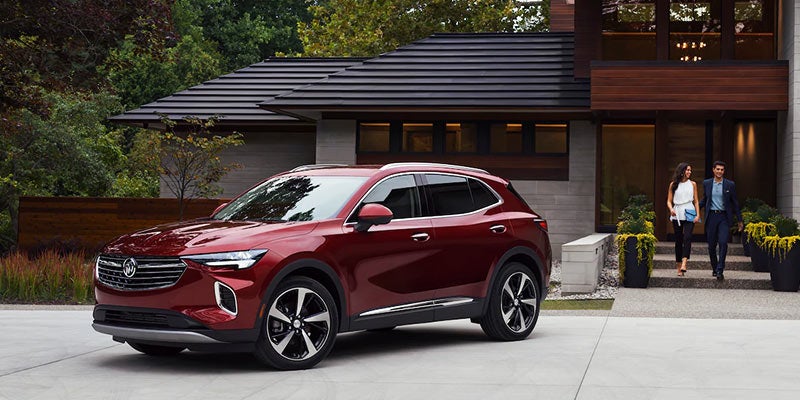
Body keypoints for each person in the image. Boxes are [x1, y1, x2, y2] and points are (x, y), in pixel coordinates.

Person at [699, 161, 743, 281]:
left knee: (723, 242)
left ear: (724, 171)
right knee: (711, 245)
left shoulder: (730, 185)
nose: (719, 172)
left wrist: (740, 220)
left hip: (723, 217)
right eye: (717, 169)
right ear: (713, 170)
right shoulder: (707, 183)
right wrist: (695, 209)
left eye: (722, 170)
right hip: (711, 217)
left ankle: (720, 269)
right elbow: (705, 200)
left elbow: (735, 203)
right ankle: (715, 267)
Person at [667, 162, 701, 277]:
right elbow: (668, 200)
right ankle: (678, 265)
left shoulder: (693, 184)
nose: (689, 172)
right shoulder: (673, 184)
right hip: (677, 212)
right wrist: (671, 209)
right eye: (687, 170)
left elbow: (696, 200)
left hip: (689, 211)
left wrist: (698, 215)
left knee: (687, 237)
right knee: (678, 240)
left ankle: (684, 262)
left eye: (690, 170)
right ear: (681, 171)